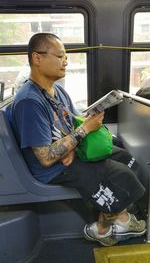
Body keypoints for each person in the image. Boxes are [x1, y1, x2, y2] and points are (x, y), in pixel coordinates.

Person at [11, 33, 147, 247]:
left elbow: (70, 123)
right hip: (52, 169)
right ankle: (115, 224)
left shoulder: (57, 91)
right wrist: (83, 131)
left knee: (125, 156)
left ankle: (108, 223)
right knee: (118, 172)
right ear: (37, 58)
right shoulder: (29, 102)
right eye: (60, 56)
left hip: (67, 153)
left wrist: (74, 143)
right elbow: (45, 158)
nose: (66, 61)